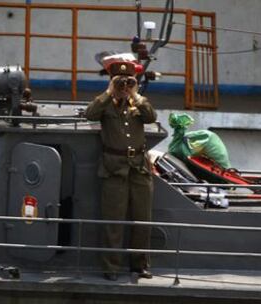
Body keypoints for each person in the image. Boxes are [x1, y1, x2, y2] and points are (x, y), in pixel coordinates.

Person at [85, 61, 157, 281]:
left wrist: (135, 93)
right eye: (120, 81)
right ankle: (111, 267)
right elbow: (90, 114)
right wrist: (110, 91)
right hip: (114, 168)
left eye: (128, 81)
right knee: (113, 222)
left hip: (138, 168)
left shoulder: (137, 103)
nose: (124, 85)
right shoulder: (106, 104)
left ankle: (139, 266)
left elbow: (151, 117)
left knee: (142, 219)